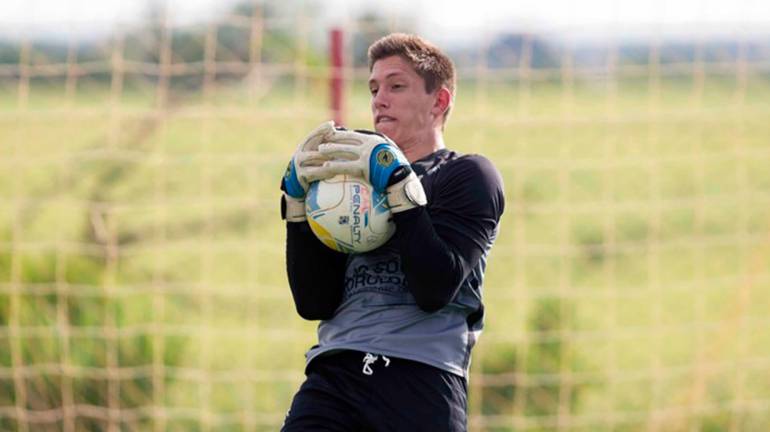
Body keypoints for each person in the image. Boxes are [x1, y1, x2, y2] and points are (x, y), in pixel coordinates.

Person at [279, 33, 505, 431]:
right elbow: (313, 302)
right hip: (334, 375)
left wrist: (399, 187)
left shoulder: (468, 175)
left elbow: (435, 289)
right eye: (373, 88)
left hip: (421, 380)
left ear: (440, 101)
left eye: (396, 86)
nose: (379, 99)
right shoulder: (349, 183)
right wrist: (297, 210)